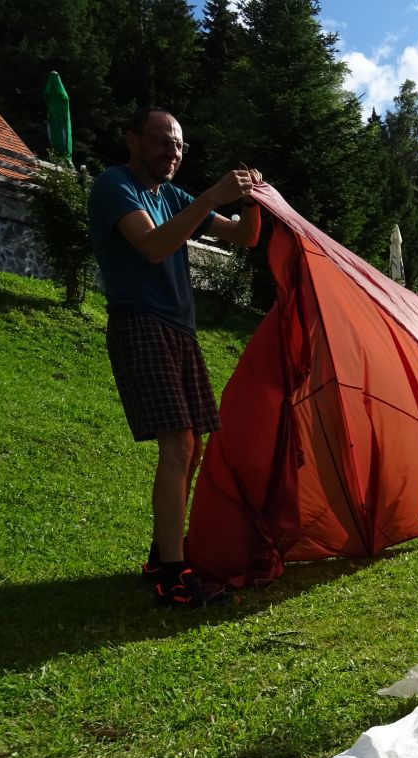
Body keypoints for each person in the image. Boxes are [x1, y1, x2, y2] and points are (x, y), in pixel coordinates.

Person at [88, 106, 262, 607]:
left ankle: (161, 554)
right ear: (133, 140)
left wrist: (250, 200)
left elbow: (244, 237)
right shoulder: (115, 186)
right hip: (139, 323)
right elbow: (152, 245)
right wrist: (211, 195)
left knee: (194, 447)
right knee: (180, 445)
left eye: (179, 145)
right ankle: (171, 573)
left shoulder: (175, 196)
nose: (172, 153)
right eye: (163, 142)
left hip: (180, 331)